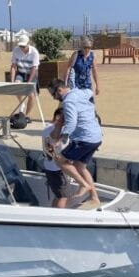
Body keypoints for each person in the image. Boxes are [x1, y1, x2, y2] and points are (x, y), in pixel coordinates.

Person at [48, 78, 103, 208]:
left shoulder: (68, 101)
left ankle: (83, 185)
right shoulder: (80, 92)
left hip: (84, 138)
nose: (54, 98)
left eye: (54, 94)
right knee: (80, 166)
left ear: (60, 90)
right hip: (96, 137)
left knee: (60, 160)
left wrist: (61, 139)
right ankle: (95, 198)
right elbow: (90, 92)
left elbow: (71, 122)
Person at [42, 108, 70, 208]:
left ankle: (51, 213)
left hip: (50, 167)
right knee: (63, 197)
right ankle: (60, 218)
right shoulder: (56, 131)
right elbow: (52, 147)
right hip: (57, 169)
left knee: (58, 196)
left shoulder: (46, 129)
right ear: (58, 118)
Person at [9, 34, 39, 120]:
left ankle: (26, 115)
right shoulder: (16, 50)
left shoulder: (34, 52)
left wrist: (29, 82)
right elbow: (13, 66)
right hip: (21, 72)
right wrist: (12, 80)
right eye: (20, 45)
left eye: (23, 46)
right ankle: (22, 103)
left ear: (28, 43)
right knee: (16, 87)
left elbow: (34, 68)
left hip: (31, 73)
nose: (21, 47)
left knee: (31, 96)